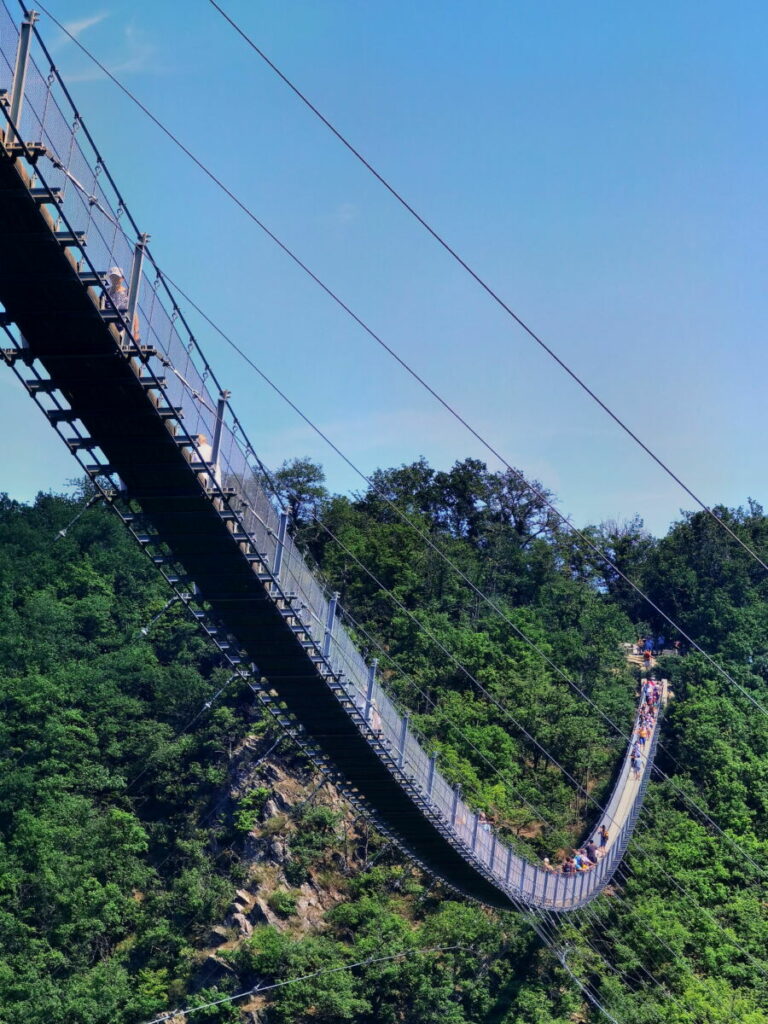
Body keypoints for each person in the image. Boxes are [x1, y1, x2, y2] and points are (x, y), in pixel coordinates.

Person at [104, 266, 141, 343]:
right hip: (108, 325)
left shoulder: (128, 293)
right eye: (113, 278)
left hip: (122, 329)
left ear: (122, 279)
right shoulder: (106, 293)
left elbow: (134, 313)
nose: (115, 280)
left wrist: (136, 333)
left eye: (117, 278)